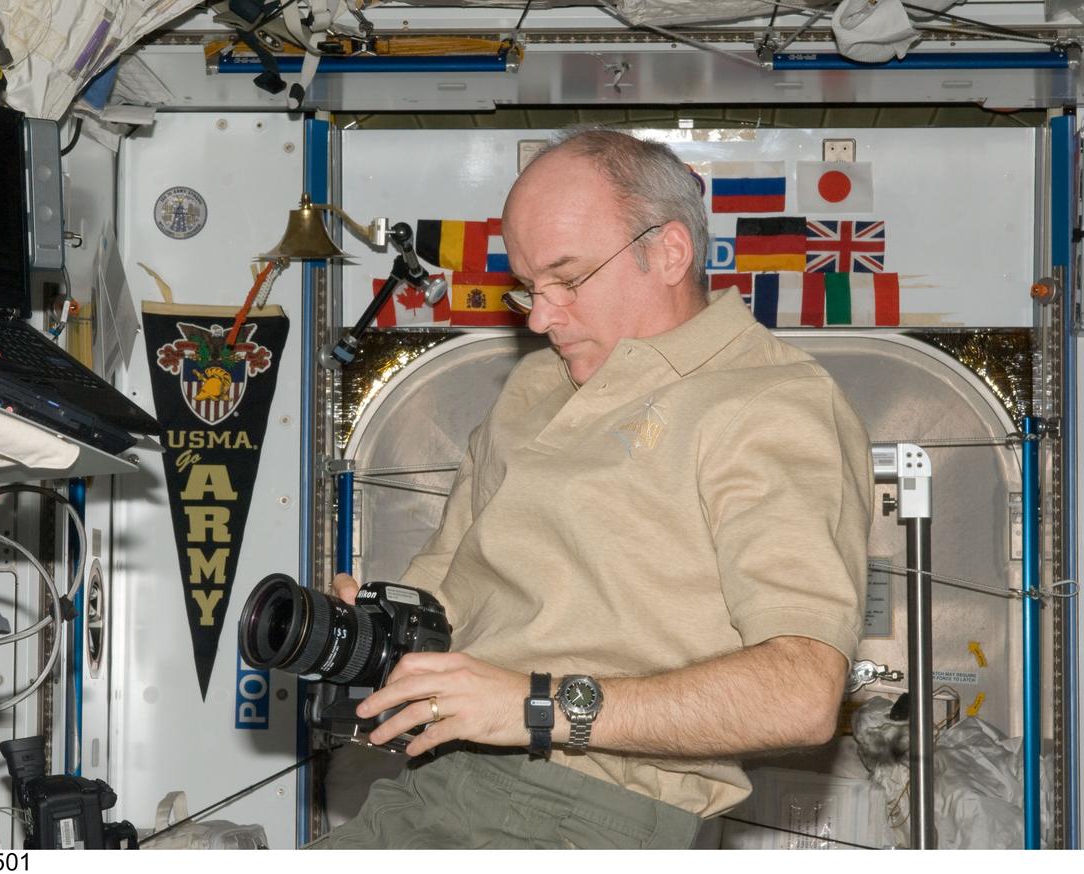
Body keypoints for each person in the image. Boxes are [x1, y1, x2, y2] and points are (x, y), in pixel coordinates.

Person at [310, 129, 874, 849]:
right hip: (427, 784)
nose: (540, 318)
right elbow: (447, 599)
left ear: (668, 252)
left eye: (568, 280)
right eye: (528, 287)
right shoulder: (533, 386)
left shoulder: (771, 402)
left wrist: (535, 707)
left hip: (582, 815)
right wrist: (369, 631)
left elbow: (801, 693)